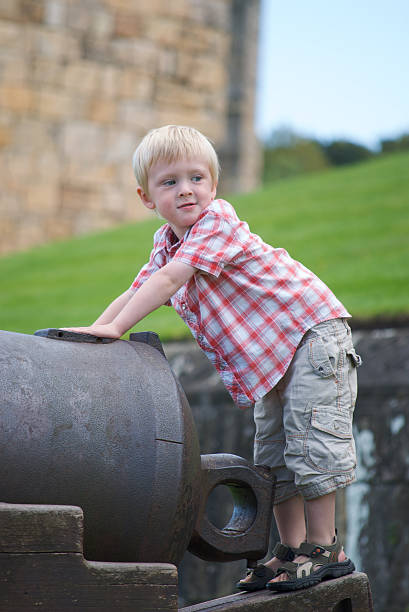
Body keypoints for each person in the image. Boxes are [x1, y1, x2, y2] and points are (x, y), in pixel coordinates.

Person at [64, 124, 361, 593]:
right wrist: (94, 331)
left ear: (214, 186)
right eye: (170, 182)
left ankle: (325, 550)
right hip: (275, 359)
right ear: (147, 198)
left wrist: (115, 330)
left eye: (196, 178)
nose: (186, 190)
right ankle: (290, 551)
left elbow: (167, 283)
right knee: (273, 455)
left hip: (311, 338)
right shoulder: (167, 242)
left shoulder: (216, 222)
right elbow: (138, 288)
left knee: (311, 445)